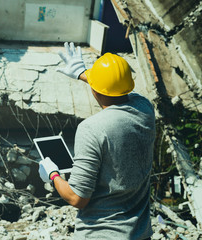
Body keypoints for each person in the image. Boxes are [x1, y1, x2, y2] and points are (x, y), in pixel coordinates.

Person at [39, 43, 156, 240]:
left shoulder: (93, 128)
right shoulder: (145, 110)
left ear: (95, 91)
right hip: (140, 233)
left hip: (101, 234)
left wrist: (52, 174)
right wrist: (85, 74)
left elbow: (77, 198)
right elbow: (125, 93)